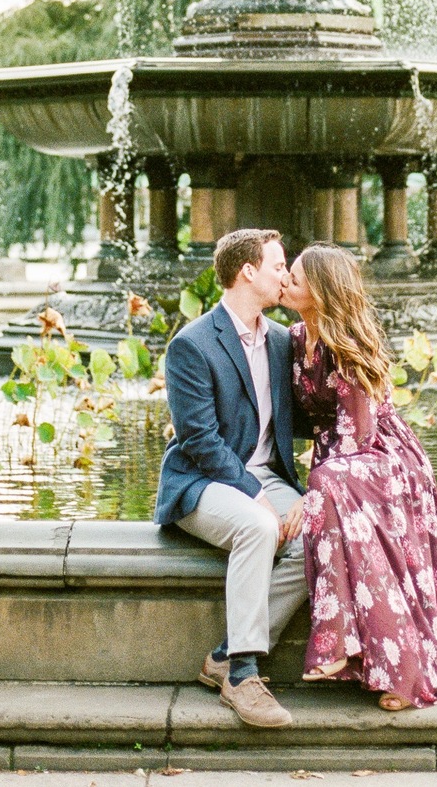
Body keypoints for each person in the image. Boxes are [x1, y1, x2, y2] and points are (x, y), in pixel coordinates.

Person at [281, 242, 437, 711]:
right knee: (329, 488)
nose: (287, 281)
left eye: (296, 276)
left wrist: (306, 496)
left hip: (384, 459)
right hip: (337, 464)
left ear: (322, 290)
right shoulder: (293, 337)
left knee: (326, 487)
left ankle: (398, 669)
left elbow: (358, 435)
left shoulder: (348, 346)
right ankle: (352, 650)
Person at [155, 228, 309, 729]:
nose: (285, 275)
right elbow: (199, 441)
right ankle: (243, 676)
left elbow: (312, 417)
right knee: (259, 527)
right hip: (203, 482)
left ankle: (223, 654)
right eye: (278, 265)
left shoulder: (283, 341)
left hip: (266, 474)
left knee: (326, 532)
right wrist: (254, 494)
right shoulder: (191, 345)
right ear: (248, 271)